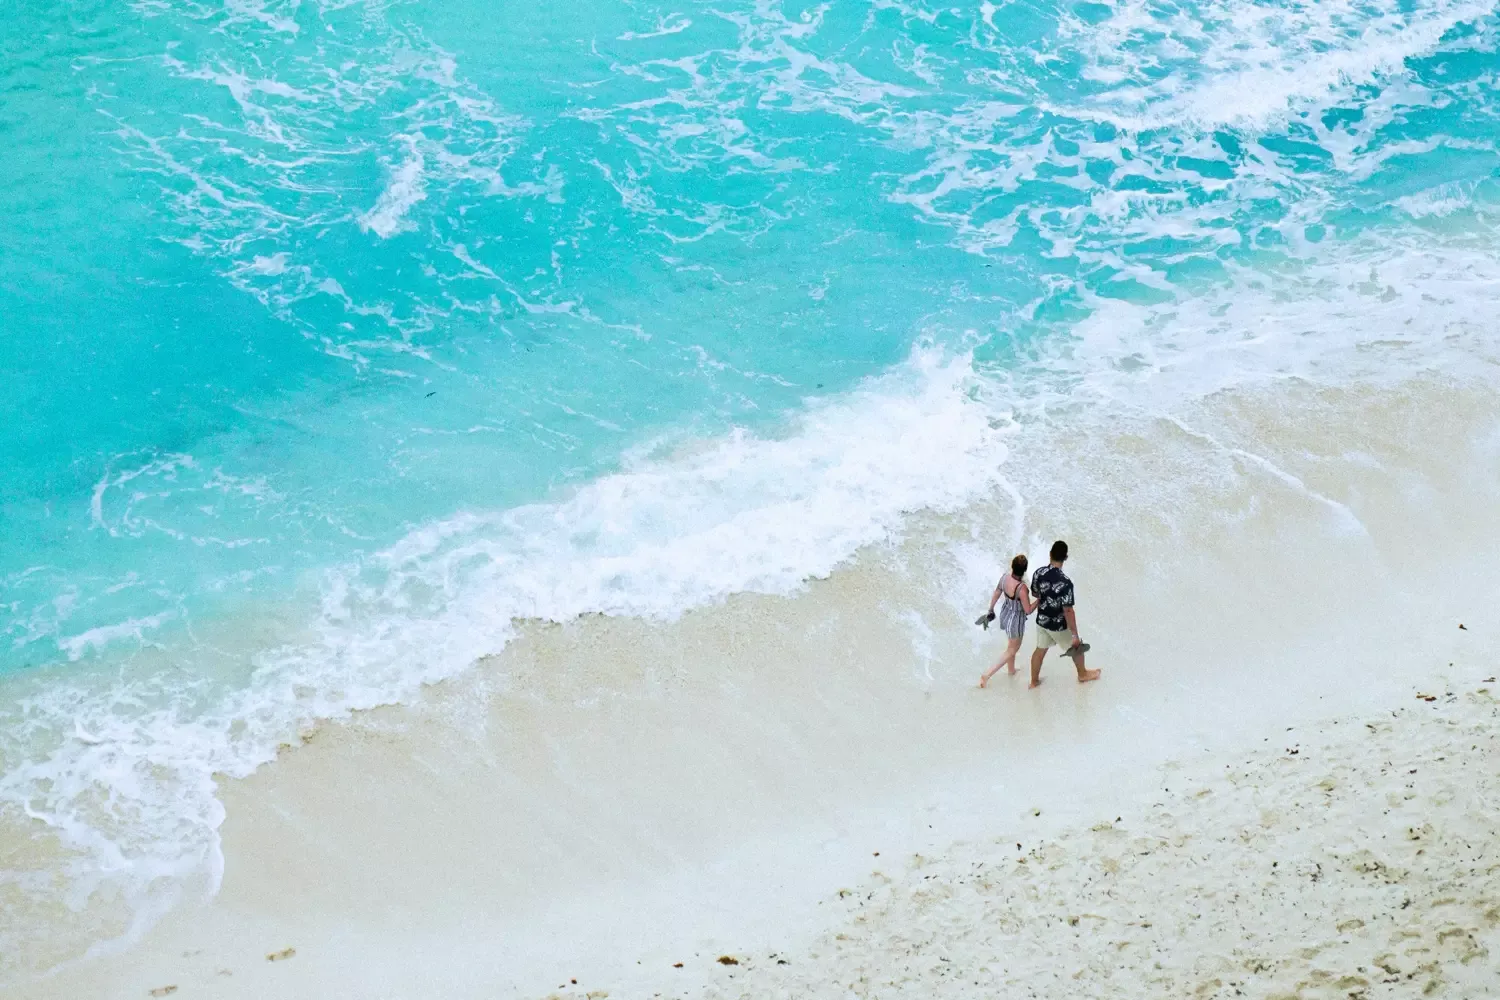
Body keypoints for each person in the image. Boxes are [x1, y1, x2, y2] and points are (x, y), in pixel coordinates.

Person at [1028, 540, 1101, 689]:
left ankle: (1034, 681)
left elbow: (1035, 592)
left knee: (1040, 650)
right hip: (1057, 625)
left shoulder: (1039, 573)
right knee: (1077, 648)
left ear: (1050, 554)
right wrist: (1074, 634)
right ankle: (1083, 674)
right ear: (1065, 557)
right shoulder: (1066, 583)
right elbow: (1068, 610)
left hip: (1042, 620)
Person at [979, 554, 1035, 688]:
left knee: (1011, 645)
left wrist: (991, 610)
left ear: (1012, 566)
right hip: (1016, 621)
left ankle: (1011, 670)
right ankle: (987, 674)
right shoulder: (1022, 588)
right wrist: (1039, 600)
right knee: (1012, 649)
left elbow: (997, 593)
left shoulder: (1004, 578)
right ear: (1024, 570)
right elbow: (1028, 610)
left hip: (1006, 614)